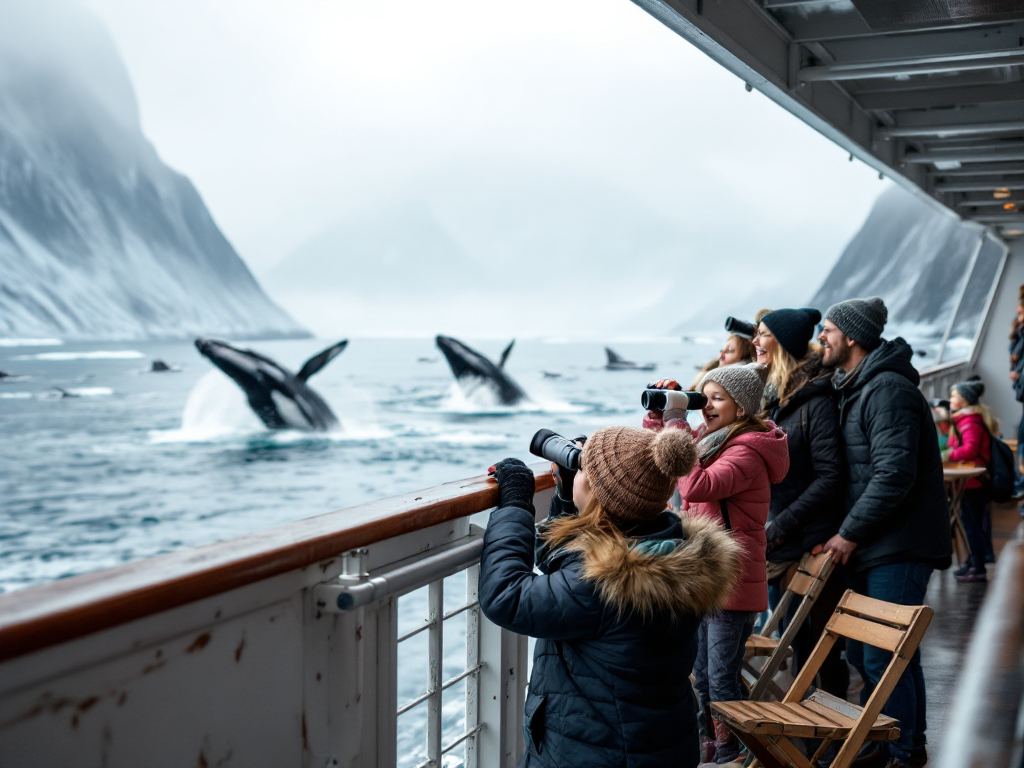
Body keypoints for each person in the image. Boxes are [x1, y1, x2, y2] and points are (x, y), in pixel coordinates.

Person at [479, 426, 741, 768]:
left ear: (594, 494)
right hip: (655, 744)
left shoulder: (604, 586)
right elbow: (570, 562)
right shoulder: (663, 548)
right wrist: (565, 500)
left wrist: (515, 505)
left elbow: (506, 596)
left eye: (584, 469)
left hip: (597, 752)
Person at [817, 297, 951, 768]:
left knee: (885, 655)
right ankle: (891, 737)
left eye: (828, 330)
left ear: (852, 336)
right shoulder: (857, 386)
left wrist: (848, 532)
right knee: (872, 651)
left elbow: (894, 473)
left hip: (901, 544)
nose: (821, 338)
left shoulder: (886, 389)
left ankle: (904, 750)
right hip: (880, 541)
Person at [645, 362, 789, 764]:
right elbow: (676, 456)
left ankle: (732, 750)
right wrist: (661, 419)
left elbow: (696, 483)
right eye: (702, 397)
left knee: (720, 676)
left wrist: (677, 424)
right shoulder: (716, 440)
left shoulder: (748, 451)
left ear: (741, 408)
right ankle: (715, 743)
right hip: (713, 575)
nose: (705, 406)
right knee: (706, 675)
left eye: (716, 398)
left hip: (732, 580)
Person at [755, 308, 848, 699]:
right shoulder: (778, 399)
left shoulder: (815, 401)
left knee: (816, 648)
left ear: (784, 344)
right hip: (784, 541)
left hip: (805, 541)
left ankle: (824, 745)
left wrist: (781, 524)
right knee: (798, 644)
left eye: (763, 335)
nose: (756, 342)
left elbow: (830, 477)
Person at [943, 379, 999, 583]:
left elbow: (970, 450)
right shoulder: (966, 420)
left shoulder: (970, 422)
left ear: (965, 401)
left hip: (973, 483)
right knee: (970, 523)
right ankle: (973, 561)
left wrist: (948, 454)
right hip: (969, 482)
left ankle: (978, 566)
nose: (950, 399)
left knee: (973, 524)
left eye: (954, 396)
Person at [689, 333, 757, 390]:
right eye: (722, 350)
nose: (721, 354)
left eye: (729, 350)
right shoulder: (709, 372)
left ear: (744, 358)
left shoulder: (735, 378)